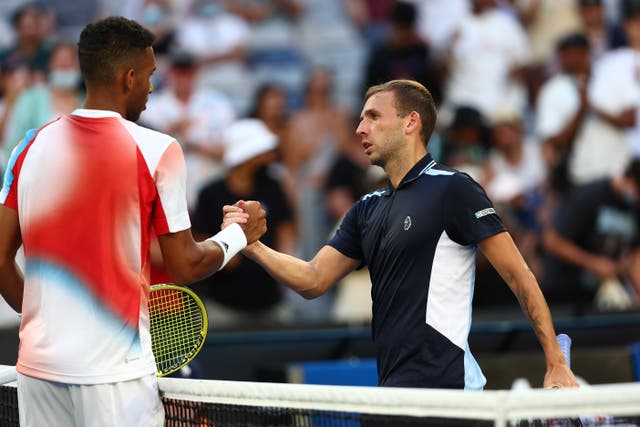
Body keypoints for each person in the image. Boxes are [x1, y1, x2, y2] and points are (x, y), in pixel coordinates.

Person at [225, 79, 579, 389]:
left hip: (450, 395)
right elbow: (312, 279)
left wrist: (555, 361)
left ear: (411, 122)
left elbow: (519, 276)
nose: (360, 129)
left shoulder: (453, 189)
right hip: (393, 395)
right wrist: (251, 245)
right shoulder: (366, 209)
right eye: (362, 118)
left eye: (374, 117)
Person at [0, 16, 266, 427]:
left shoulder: (28, 146)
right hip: (116, 377)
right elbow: (185, 265)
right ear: (128, 77)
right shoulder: (158, 149)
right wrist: (237, 236)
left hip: (38, 369)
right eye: (149, 76)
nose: (152, 87)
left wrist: (47, 314)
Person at [191, 118, 297, 329]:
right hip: (223, 304)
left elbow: (286, 228)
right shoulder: (210, 193)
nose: (269, 154)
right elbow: (199, 237)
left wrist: (283, 262)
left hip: (271, 301)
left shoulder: (273, 186)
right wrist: (222, 256)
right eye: (261, 149)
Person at [542, 159, 640, 313]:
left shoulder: (634, 208)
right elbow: (552, 240)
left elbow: (635, 254)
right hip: (564, 295)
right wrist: (593, 264)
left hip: (600, 298)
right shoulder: (590, 196)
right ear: (629, 179)